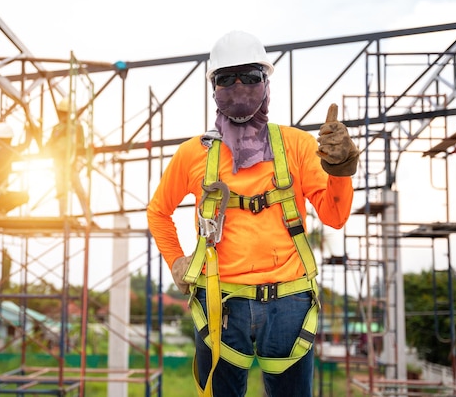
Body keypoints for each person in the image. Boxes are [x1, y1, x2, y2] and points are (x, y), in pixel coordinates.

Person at [147, 30, 359, 397]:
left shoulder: (296, 145)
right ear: (214, 88)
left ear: (266, 81)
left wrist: (339, 172)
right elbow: (158, 211)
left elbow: (334, 216)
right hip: (221, 303)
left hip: (290, 303)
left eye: (250, 76)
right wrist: (175, 260)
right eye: (227, 79)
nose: (239, 86)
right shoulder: (194, 154)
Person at [45, 98, 91, 223]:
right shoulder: (57, 129)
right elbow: (49, 145)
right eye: (61, 114)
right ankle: (62, 215)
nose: (63, 116)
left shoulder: (77, 128)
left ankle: (88, 217)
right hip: (59, 163)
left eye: (65, 114)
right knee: (61, 189)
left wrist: (78, 159)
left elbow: (81, 145)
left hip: (71, 163)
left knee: (79, 190)